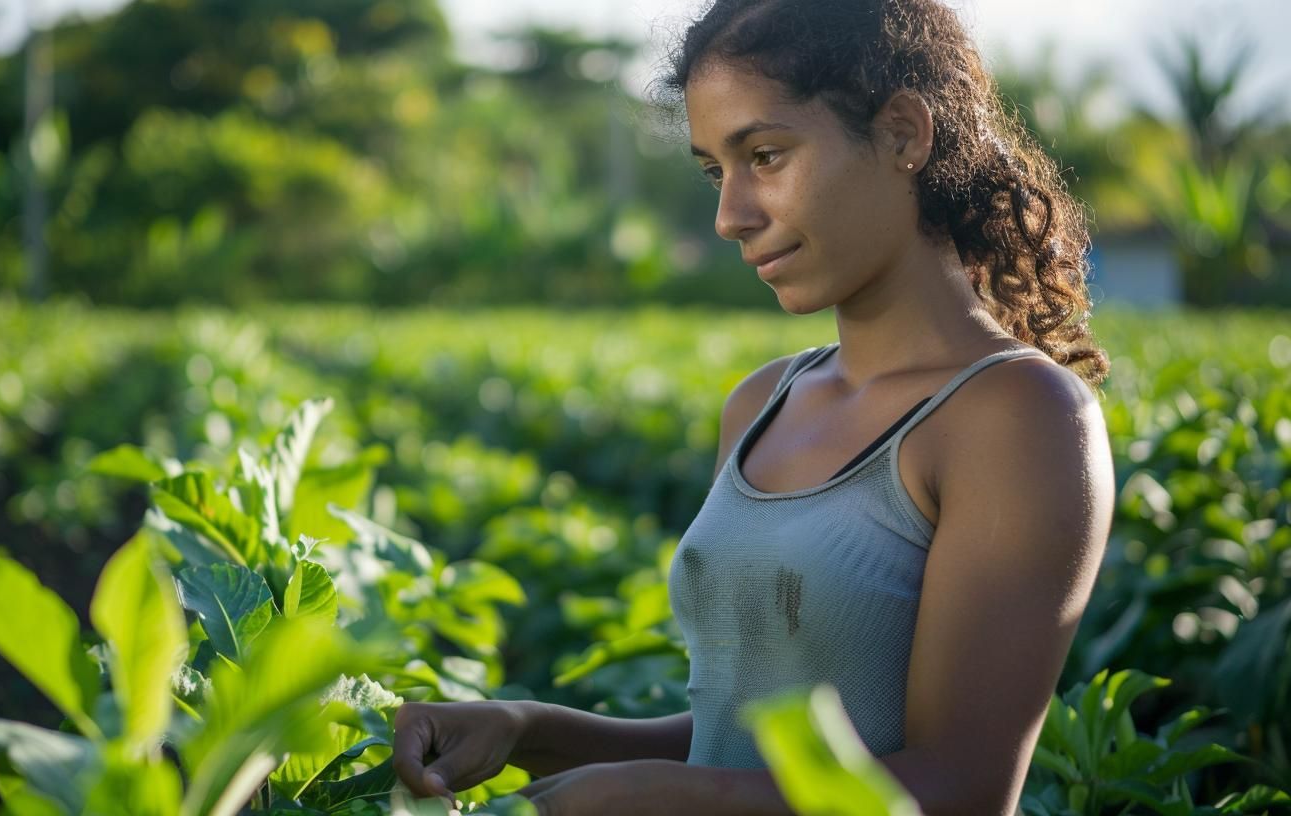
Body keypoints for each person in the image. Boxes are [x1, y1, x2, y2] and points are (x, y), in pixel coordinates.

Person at [393, 0, 1117, 813]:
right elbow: (732, 743)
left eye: (765, 156)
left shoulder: (1016, 417)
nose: (730, 216)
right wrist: (528, 729)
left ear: (904, 134)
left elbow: (959, 789)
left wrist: (657, 797)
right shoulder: (761, 404)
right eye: (715, 170)